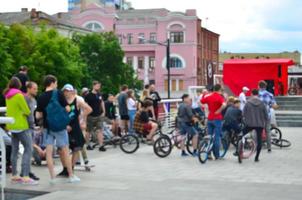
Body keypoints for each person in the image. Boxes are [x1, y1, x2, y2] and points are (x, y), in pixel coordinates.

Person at [36, 75, 80, 183]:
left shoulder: (41, 97)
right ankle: (71, 176)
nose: (56, 85)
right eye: (56, 83)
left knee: (49, 153)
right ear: (52, 83)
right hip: (60, 127)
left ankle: (52, 178)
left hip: (47, 127)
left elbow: (38, 115)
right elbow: (68, 108)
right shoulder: (58, 93)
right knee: (65, 150)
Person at [3, 77, 36, 185]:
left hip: (12, 126)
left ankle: (14, 175)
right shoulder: (19, 95)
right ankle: (25, 176)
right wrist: (23, 112)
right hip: (21, 126)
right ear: (19, 85)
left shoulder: (7, 96)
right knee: (28, 148)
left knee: (15, 150)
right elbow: (27, 110)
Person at [62, 84, 91, 172]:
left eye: (68, 91)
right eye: (64, 91)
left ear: (72, 91)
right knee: (64, 149)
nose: (66, 93)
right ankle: (66, 168)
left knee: (77, 148)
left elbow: (89, 109)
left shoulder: (77, 100)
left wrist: (81, 117)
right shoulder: (62, 101)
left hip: (75, 127)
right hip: (65, 127)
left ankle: (72, 168)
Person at [201, 84, 226, 160]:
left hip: (210, 118)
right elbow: (224, 105)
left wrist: (206, 108)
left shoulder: (209, 96)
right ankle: (217, 155)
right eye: (221, 90)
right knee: (217, 137)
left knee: (209, 136)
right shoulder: (219, 97)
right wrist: (219, 110)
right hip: (217, 119)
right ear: (219, 89)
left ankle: (208, 154)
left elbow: (201, 101)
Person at [242, 89, 268, 162]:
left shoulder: (248, 103)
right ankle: (256, 157)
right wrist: (265, 123)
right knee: (259, 140)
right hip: (259, 124)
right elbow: (266, 115)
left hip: (249, 124)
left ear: (252, 94)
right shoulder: (262, 103)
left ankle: (239, 150)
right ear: (258, 94)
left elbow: (243, 114)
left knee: (241, 134)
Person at [23, 81, 40, 181]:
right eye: (34, 89)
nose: (36, 90)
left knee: (28, 150)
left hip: (31, 127)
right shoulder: (25, 99)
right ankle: (26, 173)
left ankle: (26, 171)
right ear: (28, 89)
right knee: (28, 150)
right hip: (25, 127)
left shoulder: (34, 100)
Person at [85, 81, 106, 151]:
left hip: (99, 115)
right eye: (97, 86)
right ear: (93, 86)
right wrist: (85, 114)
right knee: (88, 131)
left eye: (99, 86)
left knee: (100, 130)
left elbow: (102, 102)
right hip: (90, 116)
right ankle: (88, 145)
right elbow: (85, 105)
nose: (98, 87)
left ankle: (101, 145)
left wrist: (104, 111)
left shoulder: (99, 94)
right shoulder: (88, 95)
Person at [258, 80, 278, 152]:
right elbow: (275, 106)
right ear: (265, 86)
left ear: (259, 86)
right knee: (268, 131)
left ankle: (258, 146)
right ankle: (269, 147)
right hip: (267, 115)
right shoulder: (270, 94)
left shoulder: (257, 94)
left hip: (259, 116)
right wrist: (270, 105)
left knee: (258, 130)